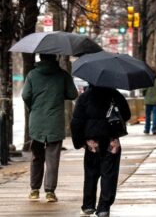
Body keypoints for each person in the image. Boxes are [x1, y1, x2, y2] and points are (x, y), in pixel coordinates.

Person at [22, 54, 78, 202]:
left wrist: (32, 108)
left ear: (40, 57)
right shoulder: (63, 75)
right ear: (56, 57)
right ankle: (50, 192)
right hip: (55, 121)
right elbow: (73, 94)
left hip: (36, 121)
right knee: (53, 158)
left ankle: (34, 189)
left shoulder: (32, 75)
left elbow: (25, 95)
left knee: (36, 156)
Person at [71, 85, 131, 217]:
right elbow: (126, 114)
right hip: (111, 140)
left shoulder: (84, 97)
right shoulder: (115, 95)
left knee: (91, 174)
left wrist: (79, 142)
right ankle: (104, 207)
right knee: (109, 174)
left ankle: (88, 205)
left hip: (93, 142)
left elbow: (76, 121)